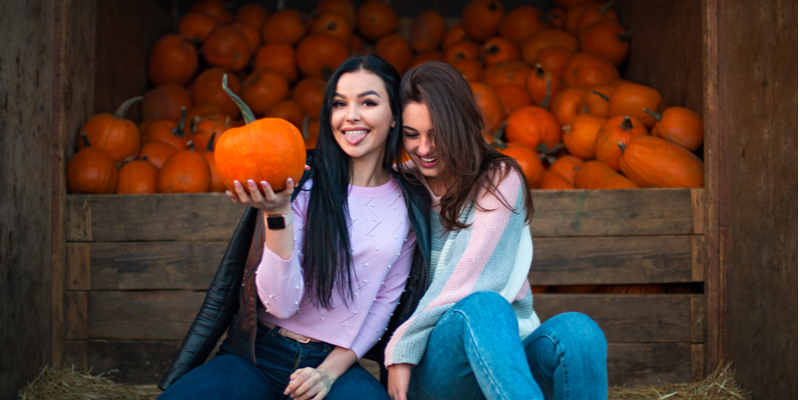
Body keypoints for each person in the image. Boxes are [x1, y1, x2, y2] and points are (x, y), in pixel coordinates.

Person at [157, 55, 432, 400]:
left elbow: (382, 306)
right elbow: (280, 305)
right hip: (256, 357)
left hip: (335, 363)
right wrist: (278, 212)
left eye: (368, 102)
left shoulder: (411, 202)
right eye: (339, 103)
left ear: (394, 116)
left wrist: (327, 375)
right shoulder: (299, 179)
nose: (351, 116)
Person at [384, 62, 609, 400]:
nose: (424, 149)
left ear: (459, 126)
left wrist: (404, 340)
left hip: (507, 359)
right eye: (412, 135)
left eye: (436, 134)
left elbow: (472, 275)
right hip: (435, 367)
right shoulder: (397, 182)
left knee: (580, 332)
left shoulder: (498, 179)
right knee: (484, 307)